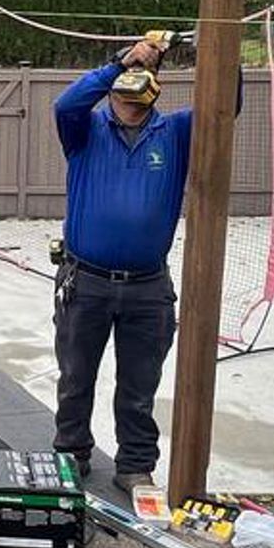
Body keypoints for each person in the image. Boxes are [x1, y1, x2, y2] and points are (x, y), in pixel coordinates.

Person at [51, 36, 230, 493]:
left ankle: (134, 465)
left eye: (138, 86)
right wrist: (120, 61)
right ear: (112, 90)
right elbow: (65, 102)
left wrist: (215, 47)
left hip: (147, 288)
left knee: (139, 386)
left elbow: (226, 105)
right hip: (85, 280)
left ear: (155, 89)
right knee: (76, 378)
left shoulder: (175, 133)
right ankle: (71, 453)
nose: (129, 100)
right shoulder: (85, 130)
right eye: (122, 88)